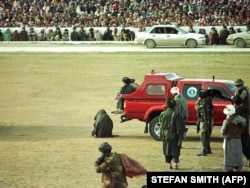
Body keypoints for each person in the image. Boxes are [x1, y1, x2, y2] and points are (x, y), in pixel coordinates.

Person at [159, 98, 185, 170]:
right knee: (175, 149)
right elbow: (182, 125)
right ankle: (176, 163)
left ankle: (168, 164)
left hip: (165, 135)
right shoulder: (178, 114)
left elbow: (160, 122)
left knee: (166, 150)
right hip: (175, 135)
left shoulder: (163, 114)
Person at [221, 104, 246, 172]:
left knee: (229, 155)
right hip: (238, 139)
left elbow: (223, 131)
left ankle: (229, 167)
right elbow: (243, 127)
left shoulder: (227, 121)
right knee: (237, 153)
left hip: (229, 139)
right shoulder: (240, 119)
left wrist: (224, 135)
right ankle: (238, 166)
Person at [233, 79, 250, 167]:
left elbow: (239, 100)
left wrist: (234, 97)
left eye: (236, 86)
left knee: (244, 140)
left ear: (238, 86)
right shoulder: (242, 90)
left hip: (243, 116)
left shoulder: (244, 91)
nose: (235, 88)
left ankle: (248, 158)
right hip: (243, 115)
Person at [195, 89, 213, 156]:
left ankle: (203, 150)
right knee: (207, 136)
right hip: (209, 121)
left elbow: (197, 108)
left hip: (204, 121)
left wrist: (198, 101)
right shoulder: (208, 100)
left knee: (203, 136)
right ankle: (208, 149)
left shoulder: (203, 103)